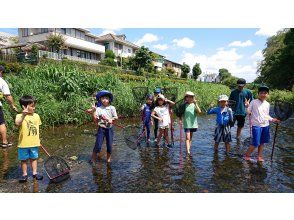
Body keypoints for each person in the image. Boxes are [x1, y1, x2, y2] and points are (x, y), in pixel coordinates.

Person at [244, 86, 280, 162]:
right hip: (256, 125)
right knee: (256, 142)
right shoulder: (254, 102)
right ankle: (247, 155)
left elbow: (266, 115)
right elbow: (248, 111)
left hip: (265, 125)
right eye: (261, 93)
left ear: (268, 94)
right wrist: (247, 108)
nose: (263, 94)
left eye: (265, 93)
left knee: (262, 142)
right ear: (258, 94)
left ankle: (259, 156)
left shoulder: (267, 104)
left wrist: (273, 119)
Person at [15, 95, 43, 183]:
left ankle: (34, 173)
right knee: (23, 160)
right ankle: (24, 174)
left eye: (34, 106)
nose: (34, 108)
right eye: (32, 106)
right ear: (24, 106)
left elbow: (38, 129)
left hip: (34, 143)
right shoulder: (19, 116)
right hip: (23, 144)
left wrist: (39, 139)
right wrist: (23, 114)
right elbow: (17, 123)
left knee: (34, 158)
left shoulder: (36, 116)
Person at [88, 90, 118, 164]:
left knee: (109, 145)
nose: (105, 100)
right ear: (100, 99)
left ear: (109, 100)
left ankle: (108, 159)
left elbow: (116, 117)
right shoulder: (98, 109)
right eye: (103, 98)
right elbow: (95, 120)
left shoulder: (112, 108)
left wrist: (111, 119)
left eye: (106, 98)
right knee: (98, 145)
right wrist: (94, 111)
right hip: (101, 128)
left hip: (109, 129)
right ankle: (93, 158)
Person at [0, 65, 18, 148]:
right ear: (1, 72)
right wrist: (12, 105)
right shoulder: (2, 81)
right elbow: (8, 96)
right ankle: (4, 142)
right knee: (1, 123)